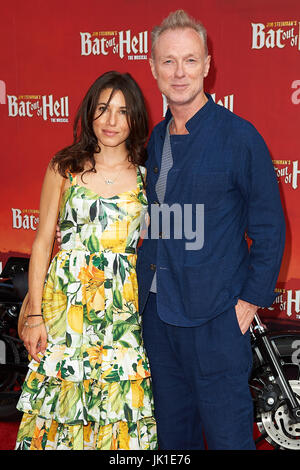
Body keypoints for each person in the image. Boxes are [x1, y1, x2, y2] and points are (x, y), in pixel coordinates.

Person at [136, 10, 286, 450]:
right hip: (160, 318)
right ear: (153, 68)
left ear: (207, 65)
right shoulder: (156, 140)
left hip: (217, 320)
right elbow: (157, 221)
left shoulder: (240, 137)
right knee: (173, 440)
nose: (179, 72)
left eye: (189, 60)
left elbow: (270, 228)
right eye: (168, 61)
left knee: (227, 439)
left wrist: (249, 302)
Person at [15, 71, 157, 450]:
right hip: (66, 306)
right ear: (89, 112)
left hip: (121, 312)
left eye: (123, 112)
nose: (112, 121)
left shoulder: (148, 177)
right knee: (60, 405)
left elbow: (168, 243)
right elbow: (43, 241)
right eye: (103, 109)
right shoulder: (64, 168)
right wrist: (34, 314)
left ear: (136, 119)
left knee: (118, 407)